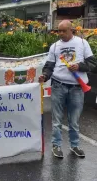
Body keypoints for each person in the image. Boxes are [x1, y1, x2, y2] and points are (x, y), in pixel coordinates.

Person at [39, 20, 97, 159]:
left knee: (74, 120)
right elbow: (49, 66)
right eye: (59, 31)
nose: (61, 33)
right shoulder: (54, 46)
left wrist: (79, 67)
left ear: (72, 30)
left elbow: (93, 64)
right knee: (57, 119)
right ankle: (56, 146)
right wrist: (45, 76)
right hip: (58, 85)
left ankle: (75, 145)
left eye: (64, 31)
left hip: (77, 88)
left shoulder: (83, 43)